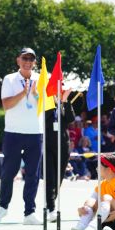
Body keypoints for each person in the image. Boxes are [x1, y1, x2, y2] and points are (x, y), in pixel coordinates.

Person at [0, 47, 43, 225]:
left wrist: (35, 94)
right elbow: (6, 104)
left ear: (35, 62)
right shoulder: (10, 79)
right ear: (18, 60)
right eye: (25, 58)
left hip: (35, 132)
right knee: (8, 172)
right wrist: (23, 92)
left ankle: (30, 212)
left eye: (31, 59)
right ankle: (3, 207)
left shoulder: (42, 78)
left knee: (33, 174)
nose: (28, 62)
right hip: (13, 132)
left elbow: (46, 105)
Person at [43, 88, 75, 222]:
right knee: (50, 177)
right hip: (48, 145)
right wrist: (53, 104)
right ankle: (51, 208)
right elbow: (44, 119)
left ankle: (50, 203)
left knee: (58, 178)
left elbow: (70, 118)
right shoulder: (47, 104)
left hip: (62, 145)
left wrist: (64, 101)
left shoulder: (64, 103)